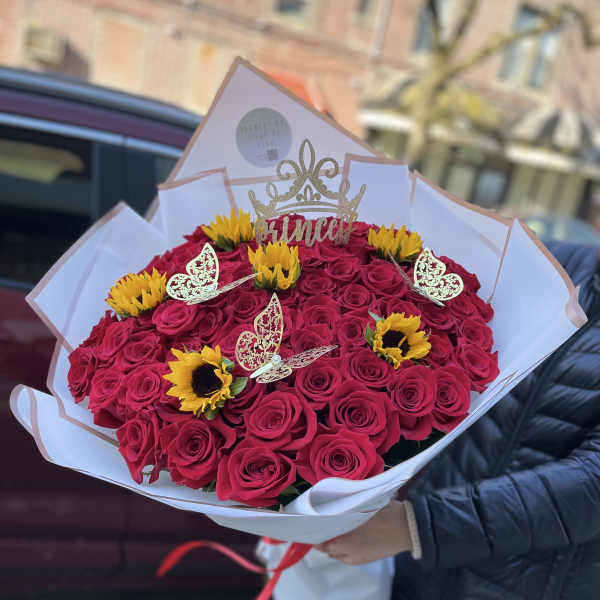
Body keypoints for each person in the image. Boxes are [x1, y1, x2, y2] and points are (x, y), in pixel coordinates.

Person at [316, 241, 600, 600]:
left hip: (525, 583)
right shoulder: (554, 265)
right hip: (415, 564)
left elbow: (590, 485)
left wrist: (417, 526)